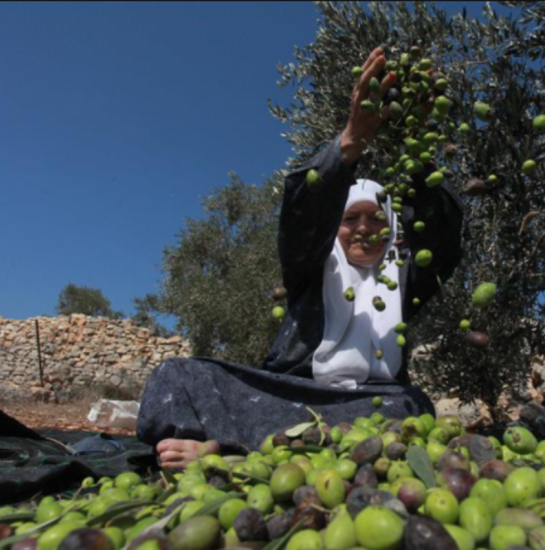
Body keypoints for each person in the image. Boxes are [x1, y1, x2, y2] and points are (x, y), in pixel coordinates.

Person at [137, 47, 463, 469]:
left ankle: (231, 452)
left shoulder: (403, 280)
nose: (364, 228)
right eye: (350, 219)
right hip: (289, 395)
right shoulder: (312, 265)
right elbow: (302, 216)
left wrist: (420, 156)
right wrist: (351, 141)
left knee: (411, 405)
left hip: (371, 403)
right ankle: (279, 448)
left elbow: (443, 242)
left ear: (394, 229)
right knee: (178, 375)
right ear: (333, 227)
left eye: (375, 219)